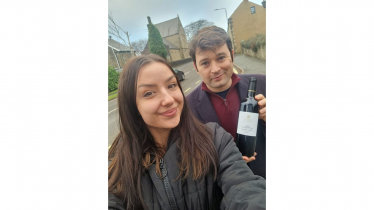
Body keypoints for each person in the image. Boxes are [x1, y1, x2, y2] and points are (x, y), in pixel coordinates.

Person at [108, 54, 266, 210]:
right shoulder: (115, 165)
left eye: (171, 85)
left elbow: (244, 188)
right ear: (131, 106)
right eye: (149, 93)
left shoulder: (215, 139)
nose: (169, 99)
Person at [186, 26, 267, 179]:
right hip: (223, 191)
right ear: (196, 67)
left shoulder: (265, 84)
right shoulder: (186, 107)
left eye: (221, 58)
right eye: (205, 63)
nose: (215, 69)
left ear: (232, 55)